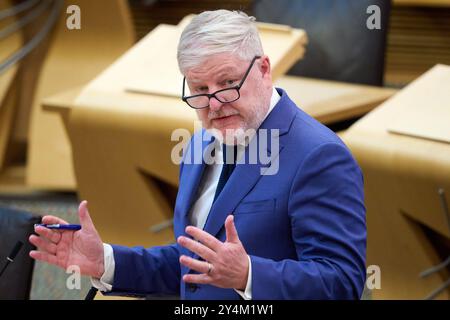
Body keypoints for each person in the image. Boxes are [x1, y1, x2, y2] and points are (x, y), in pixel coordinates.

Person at [29, 9, 366, 300]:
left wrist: (248, 274)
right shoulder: (199, 144)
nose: (214, 104)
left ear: (264, 70)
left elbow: (342, 282)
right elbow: (193, 265)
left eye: (228, 82)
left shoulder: (319, 155)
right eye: (200, 89)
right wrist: (107, 261)